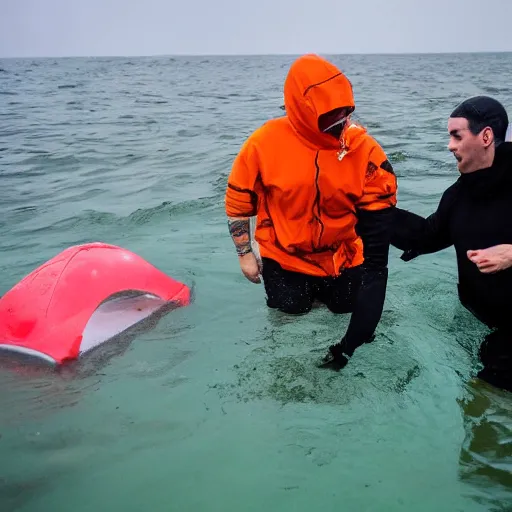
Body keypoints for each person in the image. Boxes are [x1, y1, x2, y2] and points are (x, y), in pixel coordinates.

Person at [224, 54, 398, 370]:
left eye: (346, 112)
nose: (341, 121)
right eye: (332, 115)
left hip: (344, 256)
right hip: (284, 258)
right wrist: (245, 254)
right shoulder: (264, 142)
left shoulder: (360, 146)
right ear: (303, 110)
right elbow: (238, 200)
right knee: (290, 331)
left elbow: (382, 210)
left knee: (351, 322)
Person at [391, 95, 512, 391]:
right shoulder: (459, 194)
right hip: (478, 320)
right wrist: (365, 210)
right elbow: (424, 235)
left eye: (456, 136)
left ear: (485, 136)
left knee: (483, 396)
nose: (449, 146)